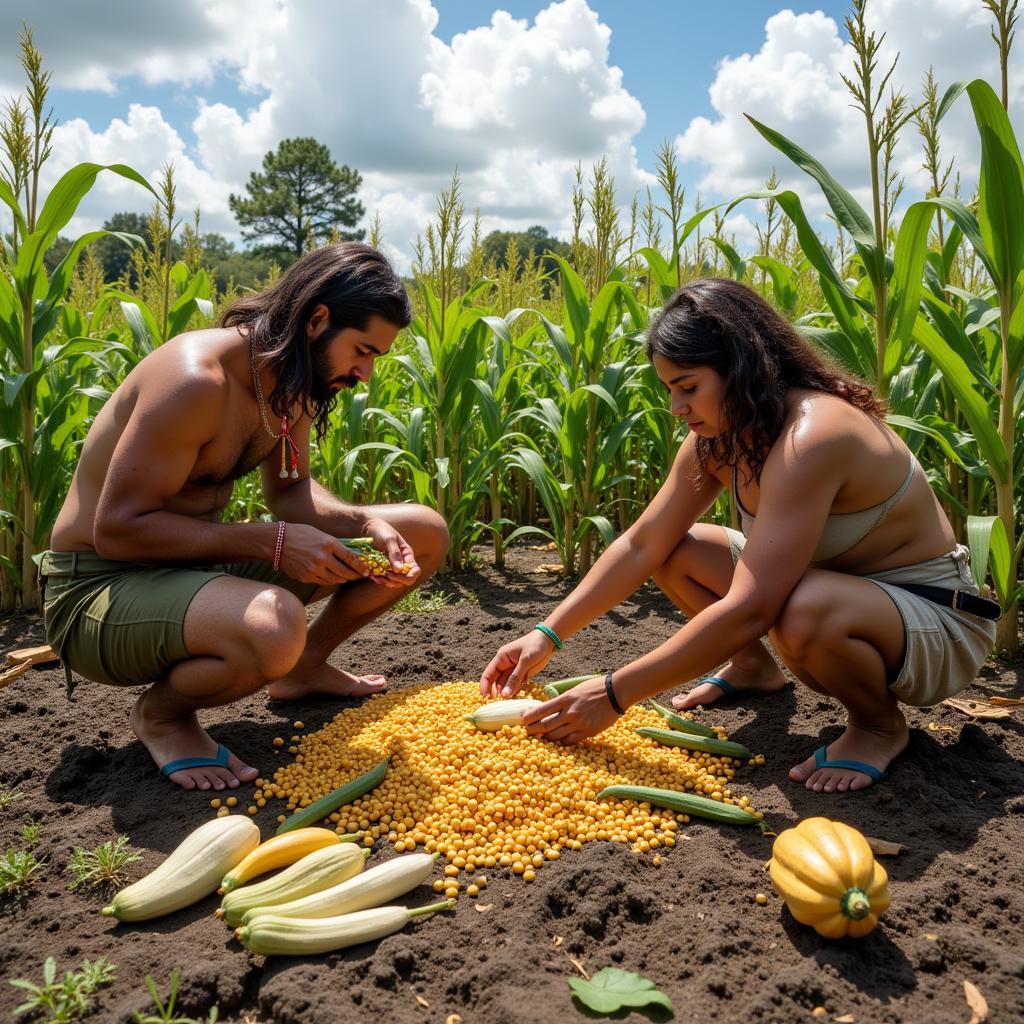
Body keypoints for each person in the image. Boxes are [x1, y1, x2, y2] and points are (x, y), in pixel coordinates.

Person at [480, 278, 998, 793]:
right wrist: (546, 634)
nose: (677, 408)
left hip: (935, 620)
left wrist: (614, 694)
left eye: (689, 387)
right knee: (677, 551)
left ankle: (878, 725)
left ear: (742, 366)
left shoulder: (814, 435)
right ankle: (753, 667)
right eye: (669, 391)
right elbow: (642, 543)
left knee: (805, 607)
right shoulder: (721, 439)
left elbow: (755, 606)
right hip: (827, 593)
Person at [42, 243, 449, 791]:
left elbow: (292, 494)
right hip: (97, 588)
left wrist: (363, 522)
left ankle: (305, 670)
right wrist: (275, 543)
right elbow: (115, 532)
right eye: (363, 350)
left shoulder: (291, 383)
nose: (366, 374)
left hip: (190, 571)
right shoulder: (196, 381)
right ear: (318, 320)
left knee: (421, 530)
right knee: (275, 624)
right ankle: (162, 716)